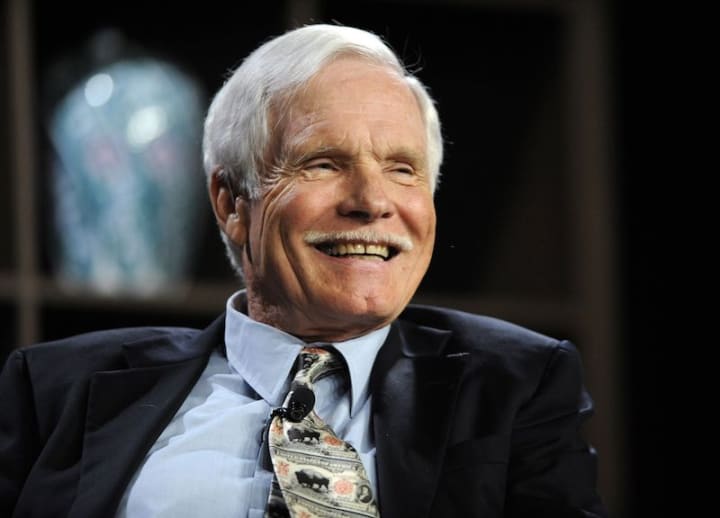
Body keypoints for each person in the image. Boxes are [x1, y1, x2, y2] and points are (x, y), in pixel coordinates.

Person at [0, 24, 607, 517]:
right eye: (323, 163)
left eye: (402, 169)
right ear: (231, 204)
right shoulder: (55, 388)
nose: (371, 201)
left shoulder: (515, 382)